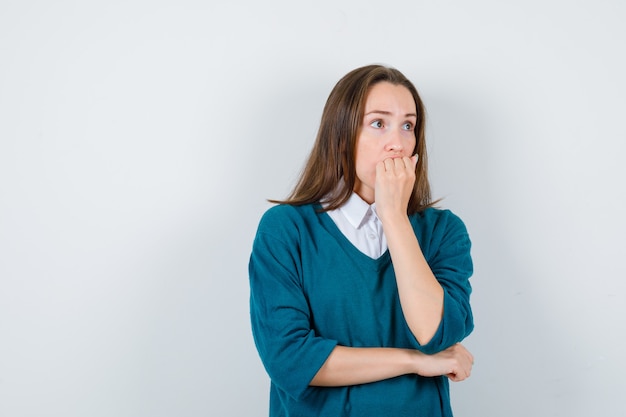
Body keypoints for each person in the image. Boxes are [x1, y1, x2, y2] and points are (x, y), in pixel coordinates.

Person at [249, 64, 475, 416]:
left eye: (408, 126)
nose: (397, 143)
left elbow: (435, 334)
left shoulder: (443, 231)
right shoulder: (286, 229)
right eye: (378, 123)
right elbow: (290, 360)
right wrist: (414, 361)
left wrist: (395, 217)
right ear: (341, 134)